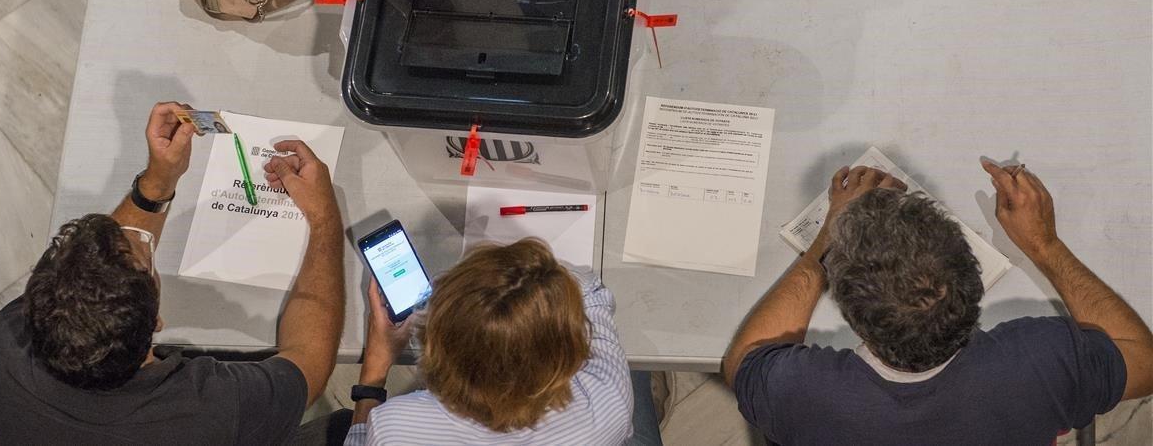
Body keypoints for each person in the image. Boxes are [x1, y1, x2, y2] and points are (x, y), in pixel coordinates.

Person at [0, 102, 347, 444]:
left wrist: (156, 183)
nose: (137, 236)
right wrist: (324, 216)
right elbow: (309, 361)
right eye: (144, 259)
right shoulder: (210, 409)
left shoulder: (9, 341)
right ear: (156, 321)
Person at [722, 162, 1153, 445]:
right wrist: (1044, 245)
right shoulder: (1044, 359)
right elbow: (1145, 364)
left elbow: (742, 362)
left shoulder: (801, 390)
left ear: (853, 318)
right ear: (972, 279)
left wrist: (825, 242)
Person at [340, 238, 661, 445]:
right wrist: (534, 280)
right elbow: (593, 292)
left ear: (434, 351)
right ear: (564, 359)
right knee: (637, 367)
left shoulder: (393, 426)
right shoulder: (605, 403)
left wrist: (375, 369)